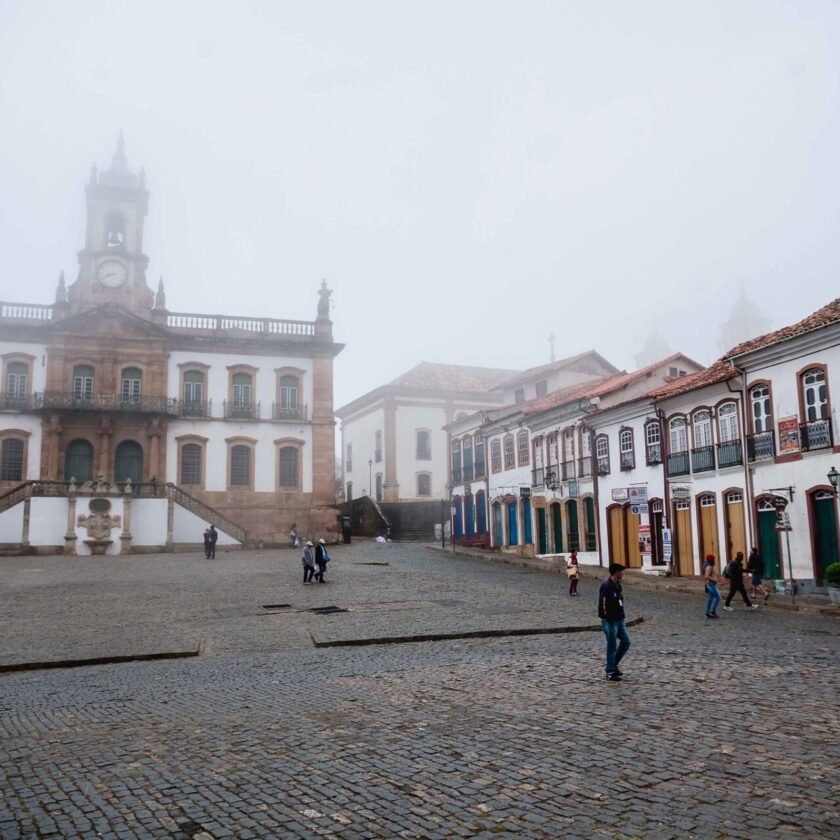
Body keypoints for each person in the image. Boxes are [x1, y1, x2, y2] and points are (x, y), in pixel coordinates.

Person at [598, 563, 630, 681]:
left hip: (619, 619)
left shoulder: (618, 585)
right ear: (616, 572)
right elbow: (603, 604)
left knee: (626, 642)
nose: (622, 574)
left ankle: (612, 664)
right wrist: (606, 617)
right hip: (610, 621)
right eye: (621, 571)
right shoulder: (606, 586)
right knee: (612, 646)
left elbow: (620, 600)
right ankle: (610, 672)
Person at [703, 554, 721, 618]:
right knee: (718, 597)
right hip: (711, 585)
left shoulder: (708, 566)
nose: (714, 560)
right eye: (713, 559)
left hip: (709, 584)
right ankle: (712, 612)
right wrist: (714, 580)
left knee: (710, 599)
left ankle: (707, 613)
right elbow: (706, 576)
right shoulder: (709, 567)